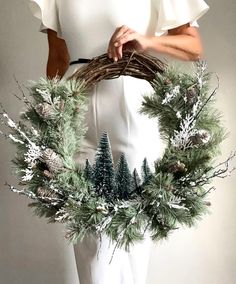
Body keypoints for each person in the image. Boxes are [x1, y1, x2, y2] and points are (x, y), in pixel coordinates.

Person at [29, 0, 209, 283]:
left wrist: (146, 42)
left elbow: (193, 45)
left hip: (131, 102)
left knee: (131, 231)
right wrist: (48, 117)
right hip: (77, 105)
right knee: (87, 231)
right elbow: (59, 58)